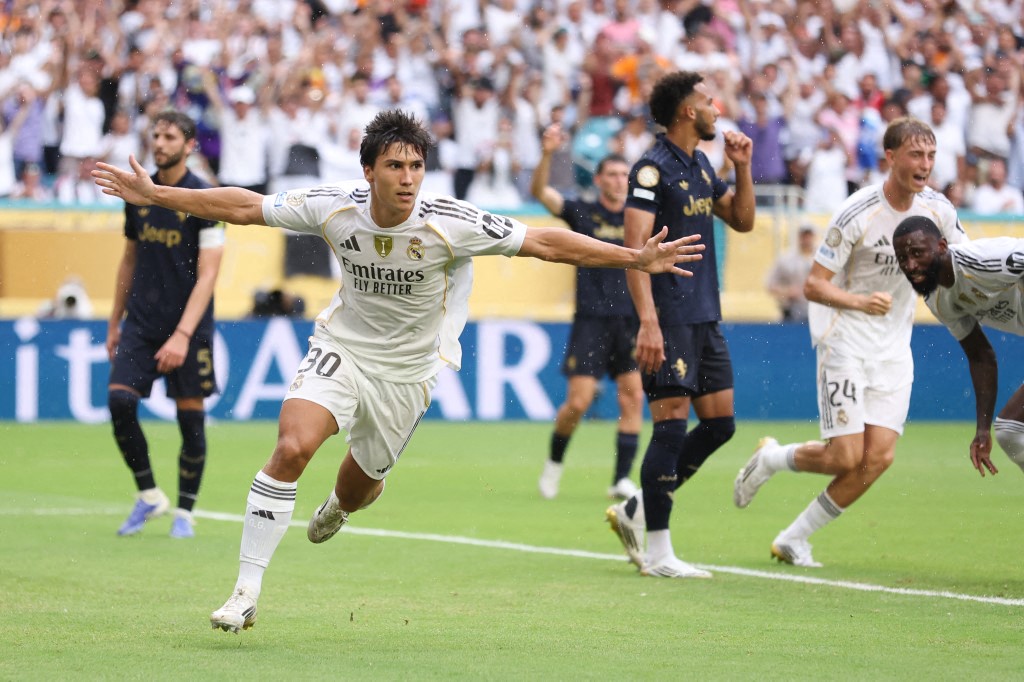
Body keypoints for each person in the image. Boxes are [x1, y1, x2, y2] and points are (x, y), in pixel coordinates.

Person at [92, 109, 703, 633]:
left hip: (409, 374)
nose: (407, 179)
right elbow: (247, 207)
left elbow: (543, 242)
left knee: (359, 491)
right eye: (395, 166)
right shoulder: (335, 206)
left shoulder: (450, 220)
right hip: (343, 348)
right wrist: (158, 195)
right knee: (291, 447)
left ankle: (340, 502)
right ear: (370, 171)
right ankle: (245, 593)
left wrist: (634, 257)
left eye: (416, 167)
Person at [732, 117, 968, 567]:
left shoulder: (939, 210)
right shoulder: (858, 211)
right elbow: (814, 286)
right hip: (844, 337)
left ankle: (792, 538)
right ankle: (771, 459)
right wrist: (859, 302)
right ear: (891, 157)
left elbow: (961, 261)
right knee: (845, 455)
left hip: (894, 347)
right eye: (916, 155)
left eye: (931, 155)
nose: (925, 165)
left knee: (877, 459)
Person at [605, 71, 756, 579]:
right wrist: (647, 322)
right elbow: (634, 253)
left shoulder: (701, 162)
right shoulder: (651, 170)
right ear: (688, 111)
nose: (717, 108)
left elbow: (742, 219)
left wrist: (743, 168)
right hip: (667, 317)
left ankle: (637, 511)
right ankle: (658, 553)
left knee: (719, 423)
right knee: (670, 426)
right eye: (709, 101)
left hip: (703, 314)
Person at [105, 110, 225, 540]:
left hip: (187, 328)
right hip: (140, 322)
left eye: (169, 136)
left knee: (189, 422)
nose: (159, 142)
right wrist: (114, 321)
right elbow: (129, 258)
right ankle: (150, 495)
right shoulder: (137, 192)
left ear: (189, 145)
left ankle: (185, 513)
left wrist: (182, 335)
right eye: (155, 135)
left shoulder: (205, 198)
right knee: (120, 402)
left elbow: (209, 273)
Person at [532, 123, 642, 501]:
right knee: (578, 403)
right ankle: (554, 463)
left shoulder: (639, 218)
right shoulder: (583, 212)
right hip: (592, 320)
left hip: (630, 319)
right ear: (598, 179)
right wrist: (547, 153)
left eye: (623, 174)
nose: (617, 180)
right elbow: (540, 193)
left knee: (633, 398)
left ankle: (621, 479)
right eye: (611, 174)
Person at [892, 216, 1024, 477]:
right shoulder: (938, 300)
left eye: (918, 253)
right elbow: (980, 356)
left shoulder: (984, 260)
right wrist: (982, 430)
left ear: (941, 246)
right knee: (1009, 431)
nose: (911, 265)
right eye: (902, 258)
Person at [765, 225, 817, 322]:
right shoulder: (786, 259)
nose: (806, 239)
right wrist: (787, 292)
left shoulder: (822, 258)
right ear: (799, 237)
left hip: (817, 312)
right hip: (793, 312)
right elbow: (769, 284)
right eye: (804, 235)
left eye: (809, 235)